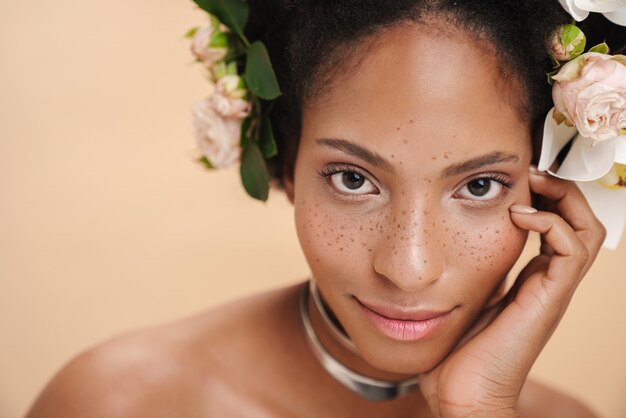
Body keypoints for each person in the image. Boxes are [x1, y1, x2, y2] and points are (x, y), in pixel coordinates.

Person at [26, 1, 625, 417]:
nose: (408, 267)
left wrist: (479, 411)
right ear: (285, 166)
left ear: (555, 189)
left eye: (479, 186)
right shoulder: (115, 404)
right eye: (352, 178)